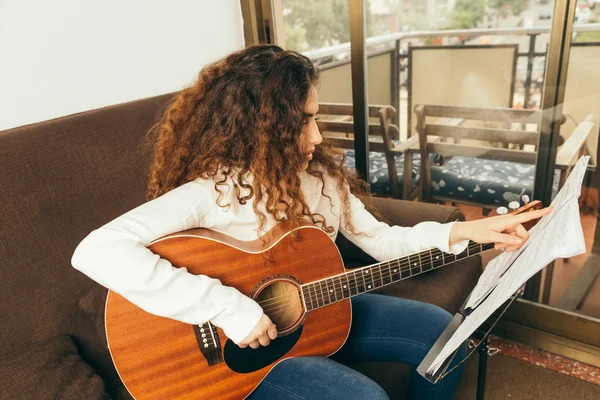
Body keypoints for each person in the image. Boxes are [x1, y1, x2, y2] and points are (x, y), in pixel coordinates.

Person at [72, 44, 549, 399]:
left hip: (319, 313)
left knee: (445, 335)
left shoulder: (320, 178)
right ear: (260, 127)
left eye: (316, 117)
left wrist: (467, 233)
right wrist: (228, 309)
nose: (317, 136)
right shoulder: (211, 193)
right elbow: (96, 249)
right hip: (239, 355)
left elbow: (379, 240)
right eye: (302, 121)